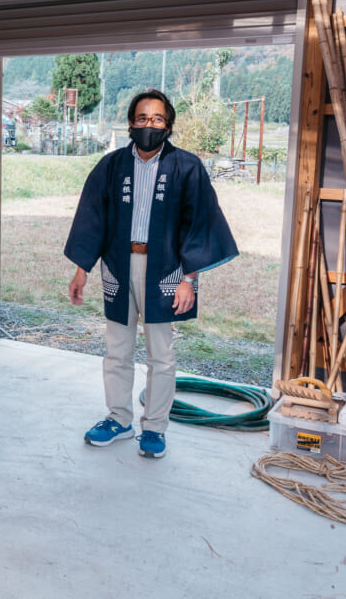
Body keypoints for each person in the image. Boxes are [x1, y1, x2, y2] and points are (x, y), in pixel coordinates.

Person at [64, 89, 238, 459]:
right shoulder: (111, 166)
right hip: (118, 262)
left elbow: (199, 224)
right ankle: (119, 419)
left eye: (157, 119)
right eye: (142, 119)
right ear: (130, 123)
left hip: (165, 269)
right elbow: (92, 219)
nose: (149, 126)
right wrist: (82, 271)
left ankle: (155, 426)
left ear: (168, 125)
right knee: (117, 349)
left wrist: (190, 279)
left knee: (161, 352)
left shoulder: (187, 167)